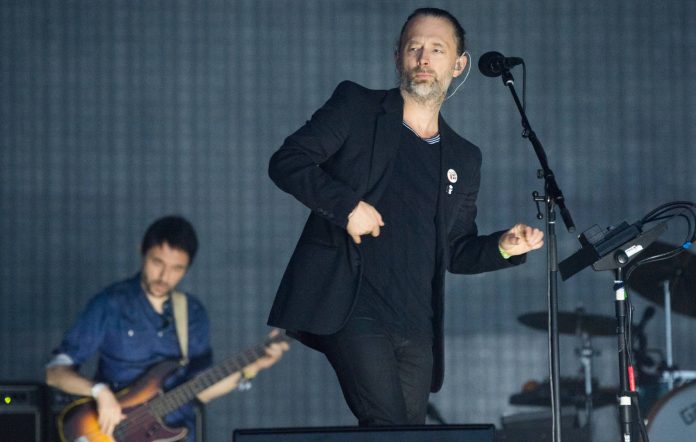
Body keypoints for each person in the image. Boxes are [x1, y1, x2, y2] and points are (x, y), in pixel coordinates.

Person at [267, 7, 544, 426]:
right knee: (387, 425)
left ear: (459, 63)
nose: (424, 59)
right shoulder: (356, 107)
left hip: (416, 321)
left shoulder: (464, 157)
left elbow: (456, 251)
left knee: (411, 432)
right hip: (352, 303)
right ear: (398, 56)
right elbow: (287, 161)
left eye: (437, 49)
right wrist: (346, 207)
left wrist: (504, 247)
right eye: (414, 48)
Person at [46, 215, 288, 441]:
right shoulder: (110, 303)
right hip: (113, 430)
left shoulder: (192, 313)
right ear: (142, 252)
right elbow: (55, 373)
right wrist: (100, 392)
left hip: (175, 434)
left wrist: (253, 366)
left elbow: (200, 390)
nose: (164, 276)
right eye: (157, 262)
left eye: (176, 269)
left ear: (188, 267)